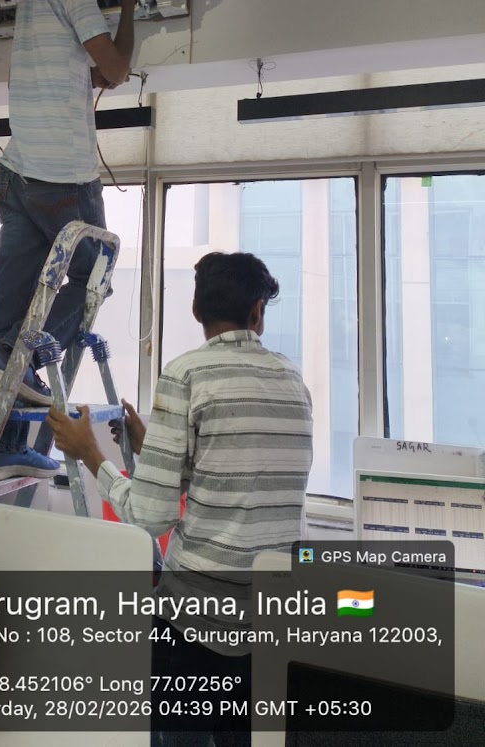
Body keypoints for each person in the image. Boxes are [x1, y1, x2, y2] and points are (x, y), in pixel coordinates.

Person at [48, 251, 314, 746]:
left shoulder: (187, 374)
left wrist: (89, 453)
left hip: (198, 623)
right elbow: (233, 477)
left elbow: (148, 518)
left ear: (197, 311)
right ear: (257, 312)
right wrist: (156, 446)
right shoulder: (292, 379)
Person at [0, 0, 150, 482]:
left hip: (17, 176)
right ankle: (21, 359)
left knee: (7, 315)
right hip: (62, 179)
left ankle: (1, 448)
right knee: (95, 275)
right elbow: (116, 70)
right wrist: (129, 2)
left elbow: (91, 72)